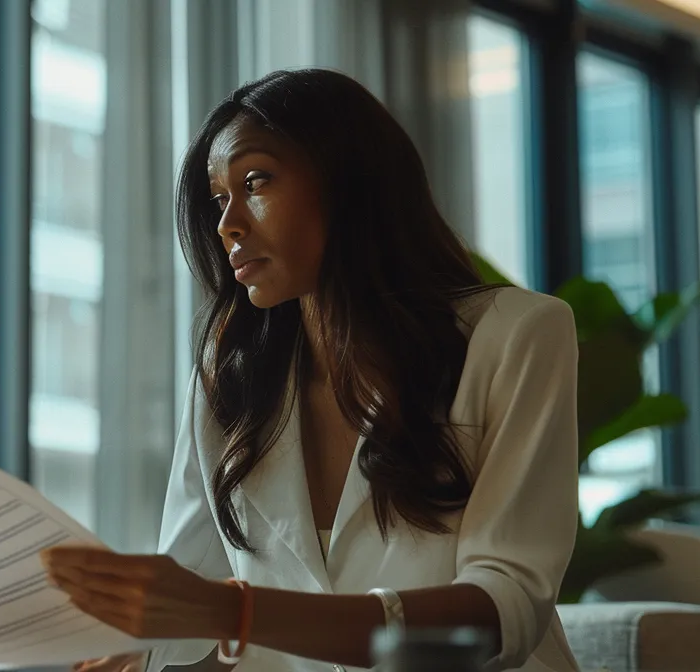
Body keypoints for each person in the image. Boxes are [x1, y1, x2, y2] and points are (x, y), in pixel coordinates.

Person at [42, 69, 581, 671]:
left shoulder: (515, 335)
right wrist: (128, 650)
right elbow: (193, 595)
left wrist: (235, 615)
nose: (228, 225)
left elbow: (504, 609)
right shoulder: (232, 377)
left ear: (348, 179)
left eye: (255, 181)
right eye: (219, 200)